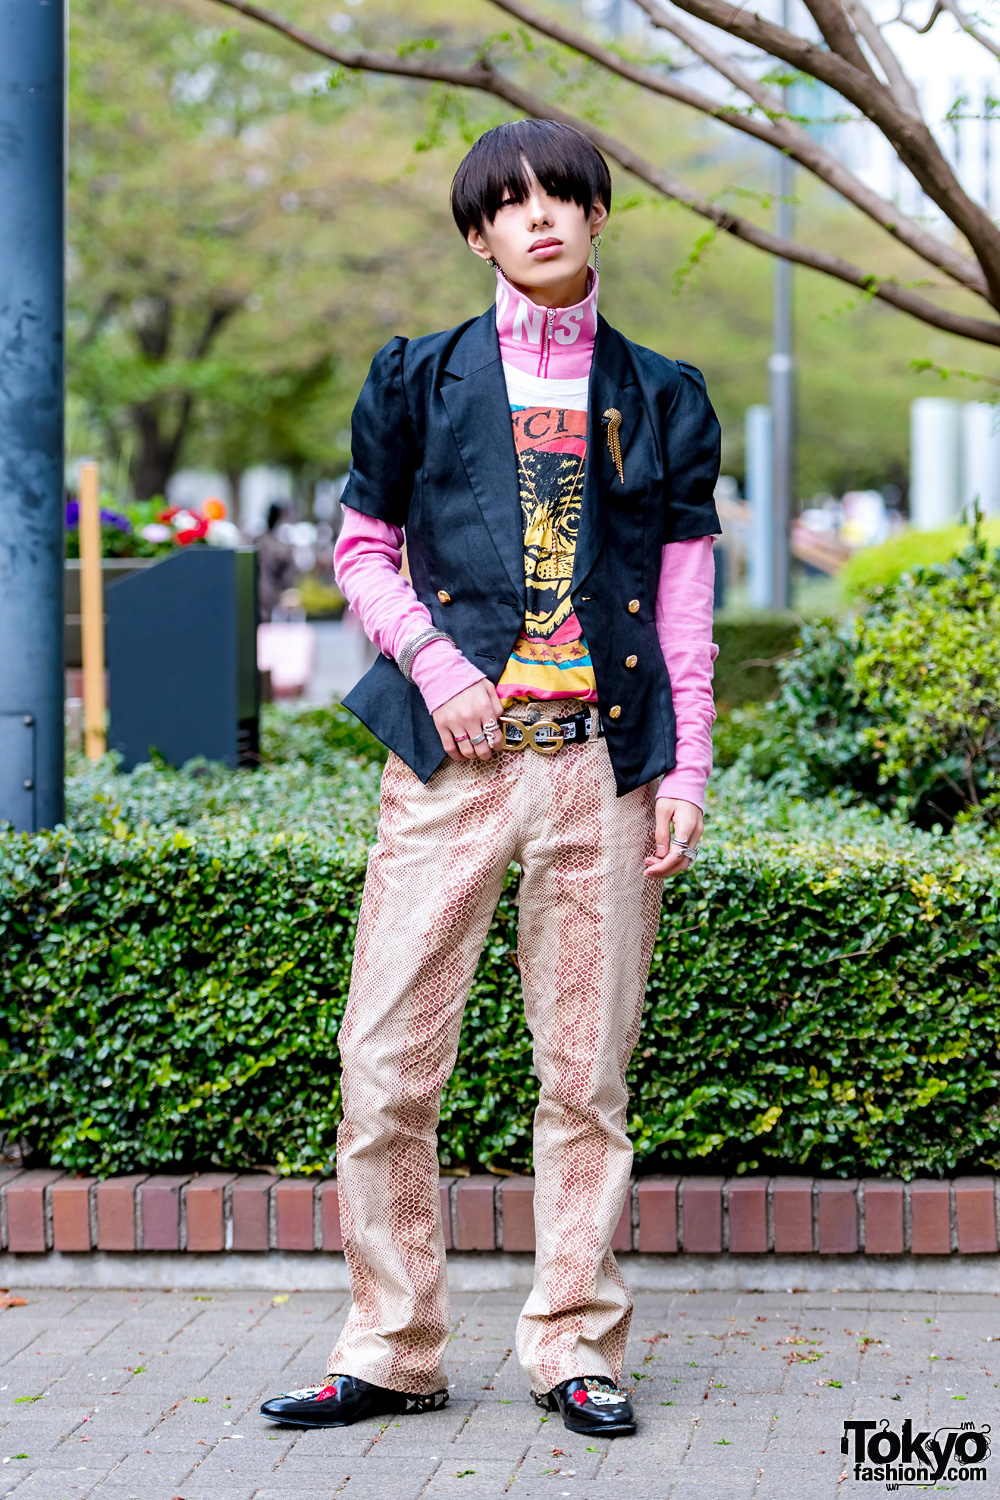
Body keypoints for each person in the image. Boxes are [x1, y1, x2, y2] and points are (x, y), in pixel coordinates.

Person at [261, 119, 720, 1440]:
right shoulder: (415, 377)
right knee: (385, 1060)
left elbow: (684, 608)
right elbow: (359, 549)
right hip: (449, 765)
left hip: (602, 770)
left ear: (594, 214)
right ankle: (395, 1345)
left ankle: (573, 1342)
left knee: (585, 1078)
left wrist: (684, 764)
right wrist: (438, 667)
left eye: (561, 197)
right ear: (477, 233)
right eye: (509, 205)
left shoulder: (664, 394)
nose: (538, 219)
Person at [255, 501, 299, 621]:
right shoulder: (278, 543)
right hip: (271, 594)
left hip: (263, 592)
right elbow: (289, 571)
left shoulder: (259, 540)